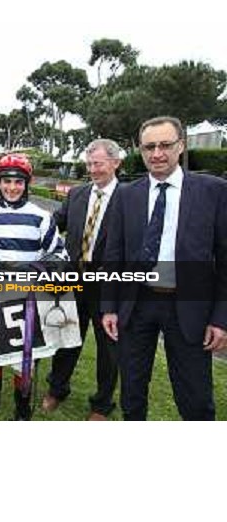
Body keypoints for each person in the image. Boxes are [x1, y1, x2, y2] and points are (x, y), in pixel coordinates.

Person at [101, 116, 227, 420]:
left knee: (195, 399)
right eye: (149, 147)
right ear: (140, 150)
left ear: (181, 146)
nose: (157, 153)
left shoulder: (214, 191)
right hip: (136, 304)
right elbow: (113, 254)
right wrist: (109, 307)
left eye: (165, 145)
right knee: (131, 393)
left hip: (189, 308)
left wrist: (221, 318)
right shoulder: (127, 195)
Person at [0, 154, 68, 421]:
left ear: (27, 183)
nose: (12, 187)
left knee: (20, 357)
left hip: (26, 298)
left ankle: (22, 408)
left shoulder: (41, 218)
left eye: (18, 182)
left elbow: (59, 255)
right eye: (6, 182)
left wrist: (40, 272)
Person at [42, 139, 121, 420]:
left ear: (115, 163)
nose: (93, 170)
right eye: (89, 164)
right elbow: (54, 224)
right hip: (72, 282)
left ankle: (101, 405)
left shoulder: (130, 197)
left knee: (108, 350)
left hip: (110, 287)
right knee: (67, 340)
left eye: (98, 164)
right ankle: (56, 389)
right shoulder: (77, 194)